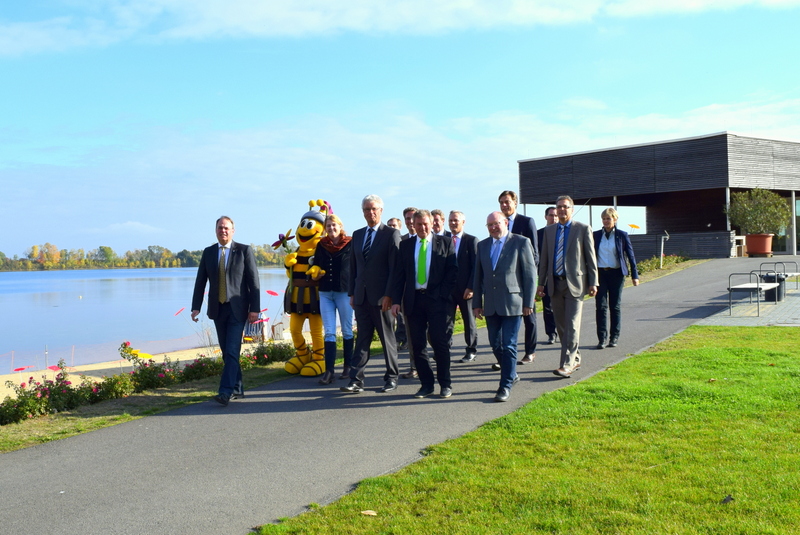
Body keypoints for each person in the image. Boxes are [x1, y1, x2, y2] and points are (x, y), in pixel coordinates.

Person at [191, 216, 260, 406]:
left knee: (231, 351)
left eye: (227, 228)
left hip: (238, 309)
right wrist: (195, 306)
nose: (223, 231)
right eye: (220, 228)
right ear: (216, 230)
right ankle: (237, 389)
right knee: (227, 352)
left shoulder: (244, 251)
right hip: (217, 309)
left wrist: (255, 309)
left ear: (233, 231)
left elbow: (254, 283)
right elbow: (200, 281)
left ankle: (225, 392)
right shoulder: (209, 252)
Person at [391, 210, 457, 398]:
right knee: (417, 345)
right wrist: (396, 301)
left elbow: (453, 272)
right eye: (418, 224)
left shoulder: (444, 242)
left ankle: (445, 384)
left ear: (431, 223)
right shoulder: (405, 246)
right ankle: (426, 384)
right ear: (413, 224)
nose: (422, 227)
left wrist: (442, 295)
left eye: (425, 224)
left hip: (436, 300)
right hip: (413, 300)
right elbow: (399, 276)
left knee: (439, 342)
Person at [472, 211, 535, 402]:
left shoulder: (521, 242)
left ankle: (505, 385)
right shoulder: (482, 246)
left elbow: (530, 275)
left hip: (513, 303)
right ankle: (512, 372)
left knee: (509, 344)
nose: (492, 228)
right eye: (489, 225)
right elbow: (478, 276)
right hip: (491, 304)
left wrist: (528, 303)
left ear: (505, 222)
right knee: (495, 344)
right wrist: (477, 303)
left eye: (496, 224)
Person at [342, 194, 401, 394]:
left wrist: (390, 295)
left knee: (387, 339)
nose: (371, 212)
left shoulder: (391, 234)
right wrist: (352, 293)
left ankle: (391, 378)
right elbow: (354, 267)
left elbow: (395, 269)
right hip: (361, 297)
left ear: (381, 210)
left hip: (381, 298)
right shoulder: (357, 235)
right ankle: (356, 380)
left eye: (374, 209)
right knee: (363, 339)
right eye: (367, 209)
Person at [537, 196, 598, 379]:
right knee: (562, 326)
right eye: (559, 207)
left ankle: (567, 364)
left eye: (565, 207)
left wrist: (594, 282)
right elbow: (545, 260)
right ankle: (576, 357)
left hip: (576, 284)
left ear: (572, 209)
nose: (561, 210)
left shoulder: (583, 229)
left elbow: (590, 257)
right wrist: (541, 283)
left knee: (572, 324)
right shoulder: (549, 231)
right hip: (555, 284)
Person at [498, 190, 539, 365]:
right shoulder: (498, 223)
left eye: (507, 202)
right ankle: (506, 356)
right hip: (505, 281)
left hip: (523, 279)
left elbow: (534, 253)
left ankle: (530, 351)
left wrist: (529, 277)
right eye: (501, 202)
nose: (504, 205)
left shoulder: (526, 222)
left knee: (529, 316)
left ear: (515, 202)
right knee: (505, 318)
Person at [313, 214, 355, 384]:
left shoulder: (351, 243)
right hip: (325, 293)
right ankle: (329, 371)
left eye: (334, 225)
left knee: (346, 330)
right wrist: (315, 272)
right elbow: (315, 264)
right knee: (329, 331)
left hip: (344, 292)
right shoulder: (321, 245)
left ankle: (348, 366)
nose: (331, 229)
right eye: (328, 226)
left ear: (340, 226)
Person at [593, 207, 639, 349]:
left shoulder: (622, 235)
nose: (606, 221)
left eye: (609, 218)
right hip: (600, 274)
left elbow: (630, 256)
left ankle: (614, 337)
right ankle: (602, 338)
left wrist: (634, 275)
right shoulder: (595, 235)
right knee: (600, 306)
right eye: (604, 218)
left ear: (615, 219)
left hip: (617, 274)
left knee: (615, 306)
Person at [448, 210, 479, 362]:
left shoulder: (471, 240)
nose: (453, 223)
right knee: (446, 321)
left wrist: (471, 287)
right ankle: (445, 349)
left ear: (463, 222)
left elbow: (476, 267)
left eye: (456, 220)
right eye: (451, 220)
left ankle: (471, 349)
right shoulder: (444, 239)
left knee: (469, 320)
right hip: (448, 290)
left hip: (466, 290)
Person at [537, 206, 558, 344]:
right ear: (546, 217)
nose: (554, 218)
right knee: (548, 306)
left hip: (560, 274)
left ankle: (563, 331)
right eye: (551, 215)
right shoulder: (539, 234)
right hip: (545, 275)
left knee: (562, 306)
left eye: (556, 215)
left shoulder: (562, 233)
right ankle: (551, 333)